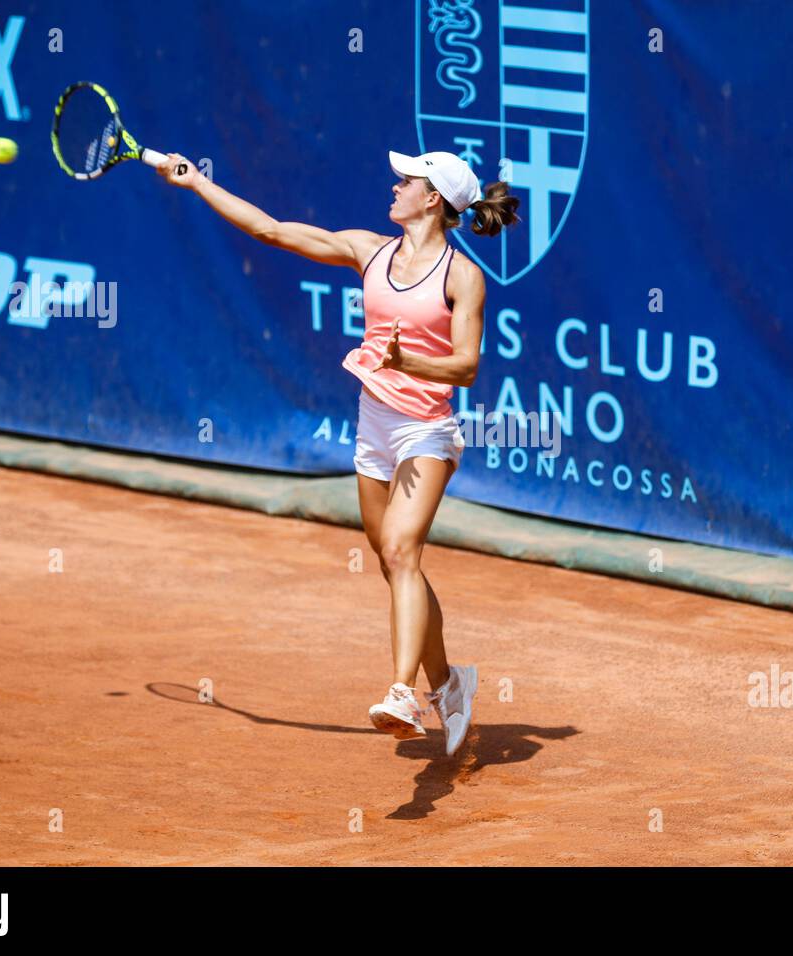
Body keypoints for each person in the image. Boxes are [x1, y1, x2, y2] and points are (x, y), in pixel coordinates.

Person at [156, 149, 521, 755]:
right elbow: (270, 230)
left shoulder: (462, 276)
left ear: (433, 198)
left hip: (426, 431)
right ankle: (450, 684)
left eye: (408, 181)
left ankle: (402, 691)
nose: (396, 185)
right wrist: (198, 184)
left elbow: (467, 365)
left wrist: (410, 361)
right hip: (372, 425)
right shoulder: (367, 248)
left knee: (403, 549)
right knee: (392, 562)